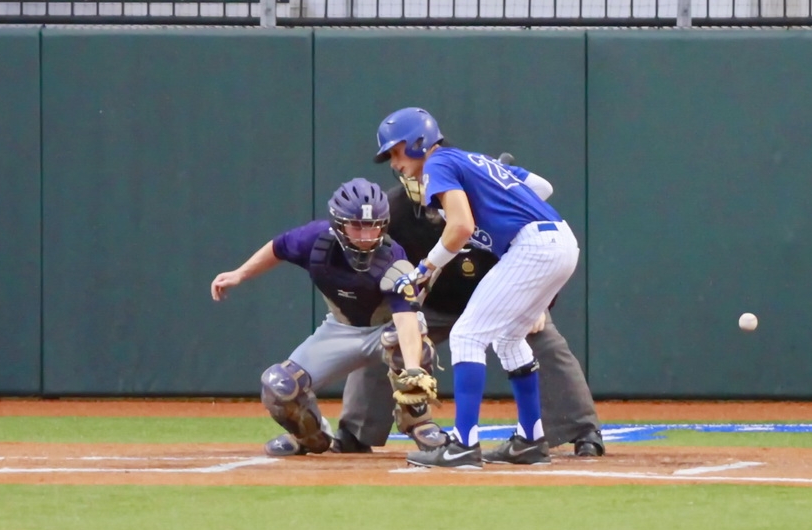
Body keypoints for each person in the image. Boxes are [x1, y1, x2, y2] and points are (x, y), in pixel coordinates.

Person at [333, 155, 604, 458]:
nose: (429, 188)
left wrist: (539, 305)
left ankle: (582, 429)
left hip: (497, 295)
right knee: (385, 337)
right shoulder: (395, 212)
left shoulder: (489, 204)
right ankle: (355, 430)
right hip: (429, 306)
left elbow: (534, 260)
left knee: (542, 339)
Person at [374, 107, 581, 469]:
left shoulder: (438, 164)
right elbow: (542, 188)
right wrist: (500, 197)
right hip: (561, 241)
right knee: (508, 340)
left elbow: (461, 228)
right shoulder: (475, 161)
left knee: (467, 336)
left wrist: (425, 268)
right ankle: (530, 441)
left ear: (420, 142)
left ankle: (463, 445)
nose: (394, 162)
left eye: (397, 151)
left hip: (533, 246)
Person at [210, 178, 447, 457]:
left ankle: (418, 423)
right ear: (338, 224)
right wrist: (240, 274)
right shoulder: (315, 239)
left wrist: (413, 369)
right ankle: (311, 437)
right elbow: (278, 247)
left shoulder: (393, 259)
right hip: (341, 329)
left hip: (386, 328)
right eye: (357, 226)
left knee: (407, 347)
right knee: (278, 386)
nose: (365, 235)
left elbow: (406, 319)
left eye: (373, 226)